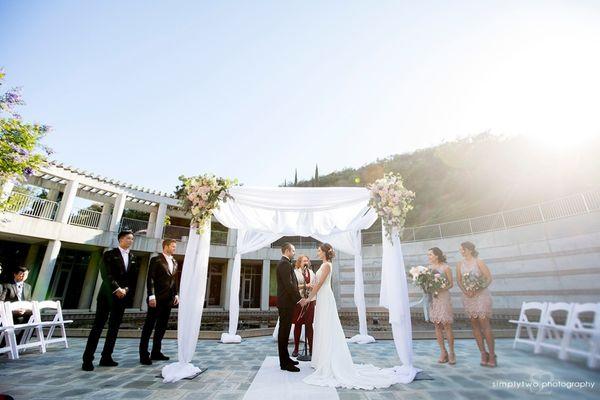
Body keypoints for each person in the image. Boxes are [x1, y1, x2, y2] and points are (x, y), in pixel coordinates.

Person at [303, 243, 400, 389]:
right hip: (322, 298)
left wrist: (308, 299)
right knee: (321, 326)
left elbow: (320, 284)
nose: (317, 252)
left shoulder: (327, 265)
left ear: (324, 252)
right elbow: (315, 283)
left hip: (325, 297)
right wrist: (308, 285)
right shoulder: (323, 265)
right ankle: (319, 359)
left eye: (319, 250)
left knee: (327, 326)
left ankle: (329, 361)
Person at [82, 230, 138, 371]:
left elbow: (132, 277)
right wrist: (116, 288)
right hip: (107, 295)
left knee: (114, 328)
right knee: (98, 326)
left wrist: (125, 289)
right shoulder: (109, 254)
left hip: (122, 297)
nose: (131, 241)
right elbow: (105, 273)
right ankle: (87, 359)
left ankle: (106, 356)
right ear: (121, 239)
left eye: (132, 239)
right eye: (128, 238)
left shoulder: (132, 256)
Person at [139, 239, 179, 365]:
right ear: (165, 246)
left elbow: (173, 280)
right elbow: (150, 278)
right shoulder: (155, 260)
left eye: (174, 246)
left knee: (161, 327)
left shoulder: (174, 261)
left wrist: (176, 294)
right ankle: (144, 354)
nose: (174, 248)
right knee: (149, 326)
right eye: (172, 246)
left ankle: (156, 351)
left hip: (168, 300)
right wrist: (151, 296)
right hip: (156, 299)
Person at [456, 241, 496, 367]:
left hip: (481, 295)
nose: (461, 251)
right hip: (468, 297)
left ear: (469, 250)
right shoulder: (459, 264)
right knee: (474, 324)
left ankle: (492, 354)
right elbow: (459, 280)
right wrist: (466, 291)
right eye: (460, 249)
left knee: (484, 323)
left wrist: (478, 289)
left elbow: (488, 278)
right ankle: (483, 353)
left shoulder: (479, 262)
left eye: (462, 249)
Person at [276, 242, 307, 372]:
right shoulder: (284, 264)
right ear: (288, 250)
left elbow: (291, 284)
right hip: (285, 303)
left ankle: (286, 358)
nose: (294, 253)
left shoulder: (285, 263)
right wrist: (299, 300)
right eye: (293, 250)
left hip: (287, 303)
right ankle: (284, 363)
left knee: (285, 331)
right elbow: (289, 286)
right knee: (283, 333)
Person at [427, 247, 455, 364]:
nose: (429, 257)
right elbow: (427, 284)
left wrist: (440, 288)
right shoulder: (428, 269)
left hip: (443, 297)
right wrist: (428, 287)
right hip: (433, 298)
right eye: (428, 255)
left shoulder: (446, 267)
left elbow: (451, 284)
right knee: (437, 325)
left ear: (437, 255)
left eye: (430, 255)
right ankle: (443, 352)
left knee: (446, 325)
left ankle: (452, 352)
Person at [291, 255, 316, 357]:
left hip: (310, 301)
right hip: (299, 301)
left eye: (307, 260)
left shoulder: (311, 273)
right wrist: (305, 286)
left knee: (309, 325)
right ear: (299, 262)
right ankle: (296, 349)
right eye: (304, 261)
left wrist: (312, 288)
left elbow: (315, 285)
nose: (306, 262)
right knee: (298, 324)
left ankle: (311, 349)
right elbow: (292, 286)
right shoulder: (295, 272)